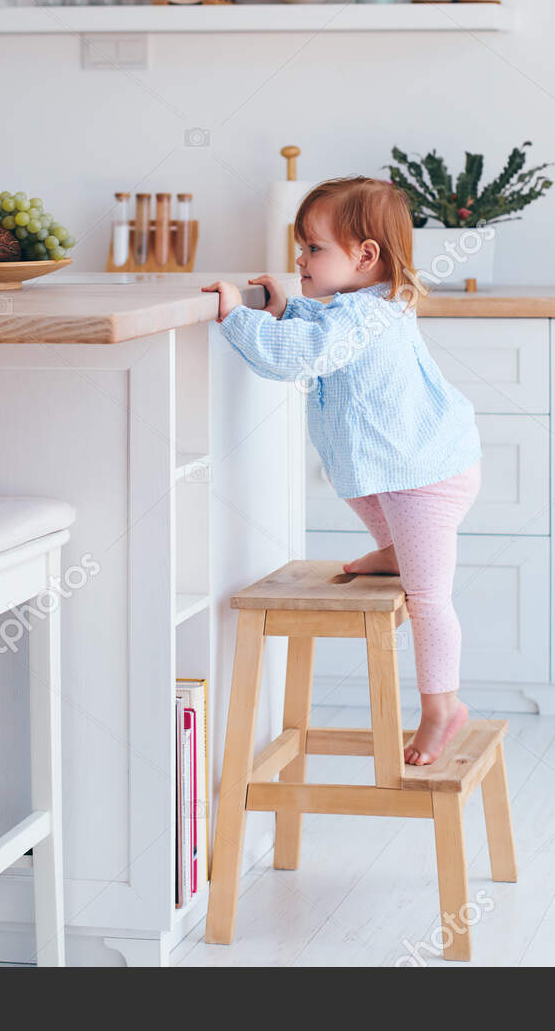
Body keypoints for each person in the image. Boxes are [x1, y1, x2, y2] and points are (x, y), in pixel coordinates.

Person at [203, 176, 483, 765]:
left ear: (364, 256)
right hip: (399, 471)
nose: (299, 259)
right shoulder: (367, 306)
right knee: (356, 484)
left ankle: (442, 707)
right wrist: (290, 307)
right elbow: (326, 329)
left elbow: (304, 353)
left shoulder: (364, 318)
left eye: (313, 248)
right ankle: (394, 547)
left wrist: (239, 318)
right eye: (301, 247)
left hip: (426, 475)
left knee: (429, 597)